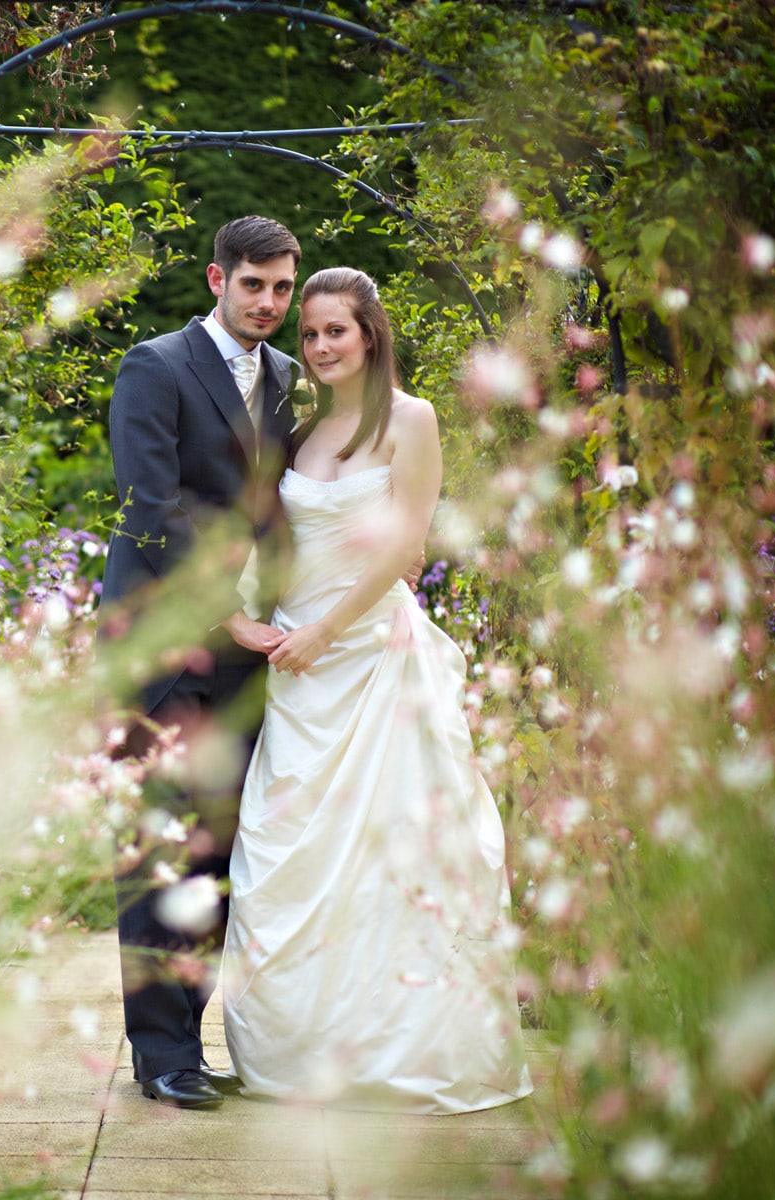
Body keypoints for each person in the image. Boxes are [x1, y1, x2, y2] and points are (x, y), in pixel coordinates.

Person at [221, 267, 533, 1114]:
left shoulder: (412, 420)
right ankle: (305, 1049)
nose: (321, 346)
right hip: (300, 663)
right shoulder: (302, 429)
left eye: (337, 331)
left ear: (370, 335)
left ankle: (407, 1047)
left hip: (371, 656)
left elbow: (406, 549)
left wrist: (325, 631)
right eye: (311, 333)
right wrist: (249, 616)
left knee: (394, 853)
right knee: (291, 853)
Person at [100, 215, 303, 1110]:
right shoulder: (156, 365)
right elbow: (150, 507)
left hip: (250, 656)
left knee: (219, 854)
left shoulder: (291, 379)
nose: (268, 301)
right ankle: (161, 1057)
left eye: (282, 288)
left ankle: (193, 1035)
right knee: (161, 853)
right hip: (162, 648)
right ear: (216, 280)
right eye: (252, 284)